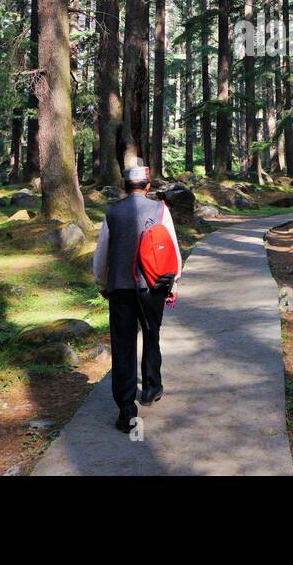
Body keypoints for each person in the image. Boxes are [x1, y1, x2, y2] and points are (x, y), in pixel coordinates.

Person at [92, 163, 182, 433]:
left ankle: (126, 409)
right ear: (147, 187)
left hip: (120, 288)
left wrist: (102, 282)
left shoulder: (112, 213)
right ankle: (151, 388)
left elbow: (101, 254)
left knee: (123, 346)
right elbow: (172, 250)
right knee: (151, 334)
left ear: (124, 187)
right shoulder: (160, 209)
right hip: (152, 287)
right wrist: (173, 282)